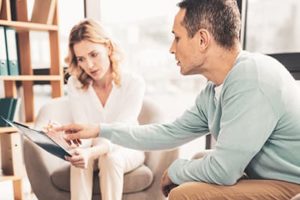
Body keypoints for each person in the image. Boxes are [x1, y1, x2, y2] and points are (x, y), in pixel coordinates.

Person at [56, 0, 300, 199]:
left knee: (184, 194)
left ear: (202, 40)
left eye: (177, 37)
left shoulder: (251, 78)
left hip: (292, 183)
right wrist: (99, 129)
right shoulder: (214, 90)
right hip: (270, 176)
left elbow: (225, 171)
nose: (172, 48)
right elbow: (167, 133)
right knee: (196, 161)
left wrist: (175, 171)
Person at [64, 19, 145, 200]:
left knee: (110, 159)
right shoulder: (75, 84)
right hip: (91, 147)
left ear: (108, 48)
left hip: (128, 147)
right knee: (78, 162)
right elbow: (82, 130)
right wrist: (77, 148)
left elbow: (122, 132)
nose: (89, 65)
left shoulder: (134, 83)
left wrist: (91, 152)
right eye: (81, 59)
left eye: (94, 54)